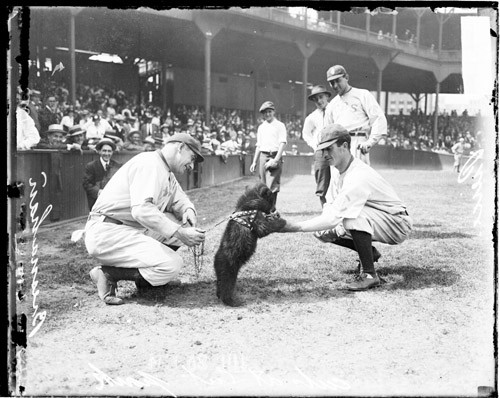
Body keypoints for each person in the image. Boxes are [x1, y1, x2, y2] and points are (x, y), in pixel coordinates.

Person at [278, 124, 412, 291]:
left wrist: (292, 226)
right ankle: (369, 254)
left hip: (397, 222)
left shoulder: (358, 175)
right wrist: (325, 228)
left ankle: (370, 275)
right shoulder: (339, 171)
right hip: (380, 218)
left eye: (329, 149)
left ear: (345, 146)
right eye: (323, 150)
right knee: (322, 229)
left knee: (352, 217)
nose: (325, 154)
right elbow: (330, 205)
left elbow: (333, 217)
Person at [84, 133, 206, 305]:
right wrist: (180, 233)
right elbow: (141, 210)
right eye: (192, 158)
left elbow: (179, 198)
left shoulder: (164, 168)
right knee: (172, 264)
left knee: (180, 223)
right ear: (180, 148)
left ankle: (148, 282)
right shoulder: (150, 164)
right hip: (107, 232)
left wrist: (188, 209)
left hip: (125, 229)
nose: (191, 165)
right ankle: (108, 274)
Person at [324, 65, 387, 165]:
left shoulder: (362, 95)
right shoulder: (331, 105)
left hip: (358, 142)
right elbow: (327, 132)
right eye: (332, 82)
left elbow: (378, 119)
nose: (335, 85)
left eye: (338, 80)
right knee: (340, 179)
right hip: (340, 146)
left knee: (359, 178)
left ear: (346, 78)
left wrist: (370, 142)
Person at [249, 101, 287, 209]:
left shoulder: (280, 125)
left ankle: (271, 209)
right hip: (263, 156)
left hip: (275, 155)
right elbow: (259, 146)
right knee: (263, 185)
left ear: (273, 112)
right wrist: (254, 162)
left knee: (272, 186)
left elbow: (282, 143)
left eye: (269, 112)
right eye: (265, 113)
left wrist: (276, 160)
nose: (267, 114)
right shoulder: (261, 127)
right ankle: (266, 209)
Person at [302, 85, 332, 206]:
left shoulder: (336, 110)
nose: (319, 101)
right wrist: (315, 145)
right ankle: (325, 211)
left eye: (321, 97)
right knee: (322, 182)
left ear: (326, 96)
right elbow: (306, 134)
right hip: (321, 151)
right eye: (315, 99)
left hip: (336, 149)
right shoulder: (312, 117)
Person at [82, 138, 122, 210]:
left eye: (109, 151)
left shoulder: (117, 165)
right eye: (104, 151)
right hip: (96, 201)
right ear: (99, 151)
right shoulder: (91, 166)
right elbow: (86, 184)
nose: (107, 154)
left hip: (112, 201)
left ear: (112, 152)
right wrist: (98, 191)